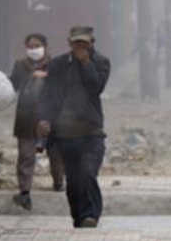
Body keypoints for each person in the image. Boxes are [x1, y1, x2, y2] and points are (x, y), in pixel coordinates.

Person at [36, 26, 111, 228]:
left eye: (84, 43)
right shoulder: (58, 64)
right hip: (65, 134)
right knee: (74, 180)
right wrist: (43, 119)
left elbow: (96, 87)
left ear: (91, 43)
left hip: (91, 132)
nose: (80, 47)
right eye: (76, 43)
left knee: (88, 172)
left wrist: (86, 62)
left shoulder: (100, 62)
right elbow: (47, 95)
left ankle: (91, 216)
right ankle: (79, 218)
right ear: (69, 43)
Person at [9, 33, 65, 210]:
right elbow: (13, 86)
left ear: (45, 47)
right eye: (30, 46)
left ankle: (58, 183)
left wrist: (45, 77)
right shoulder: (20, 65)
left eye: (37, 45)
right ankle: (24, 193)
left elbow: (63, 87)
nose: (33, 49)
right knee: (26, 155)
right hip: (26, 116)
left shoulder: (56, 65)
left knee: (55, 153)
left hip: (51, 115)